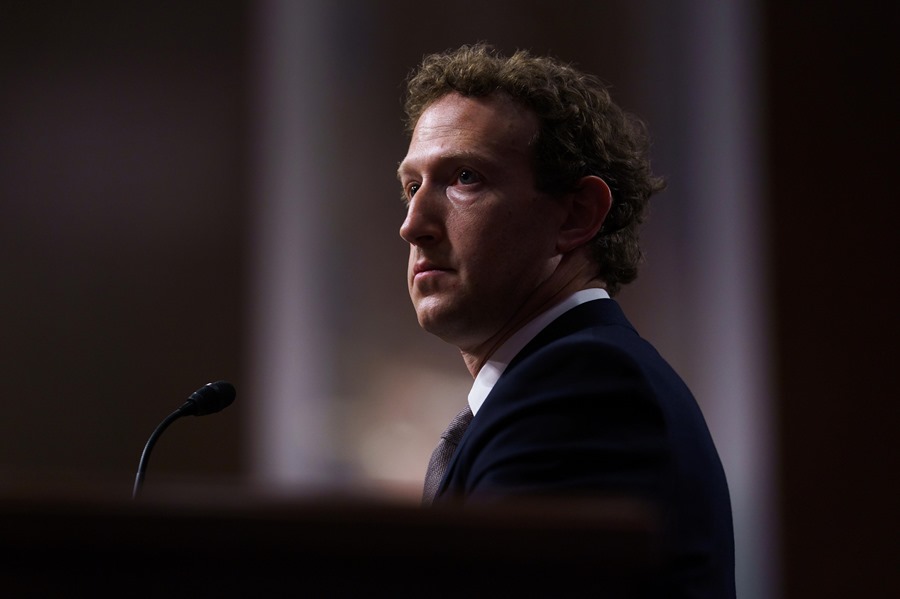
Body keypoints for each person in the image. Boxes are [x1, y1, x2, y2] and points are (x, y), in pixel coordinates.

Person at [397, 44, 735, 597]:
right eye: (412, 187)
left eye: (463, 177)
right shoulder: (551, 385)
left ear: (576, 215)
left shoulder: (585, 386)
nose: (413, 225)